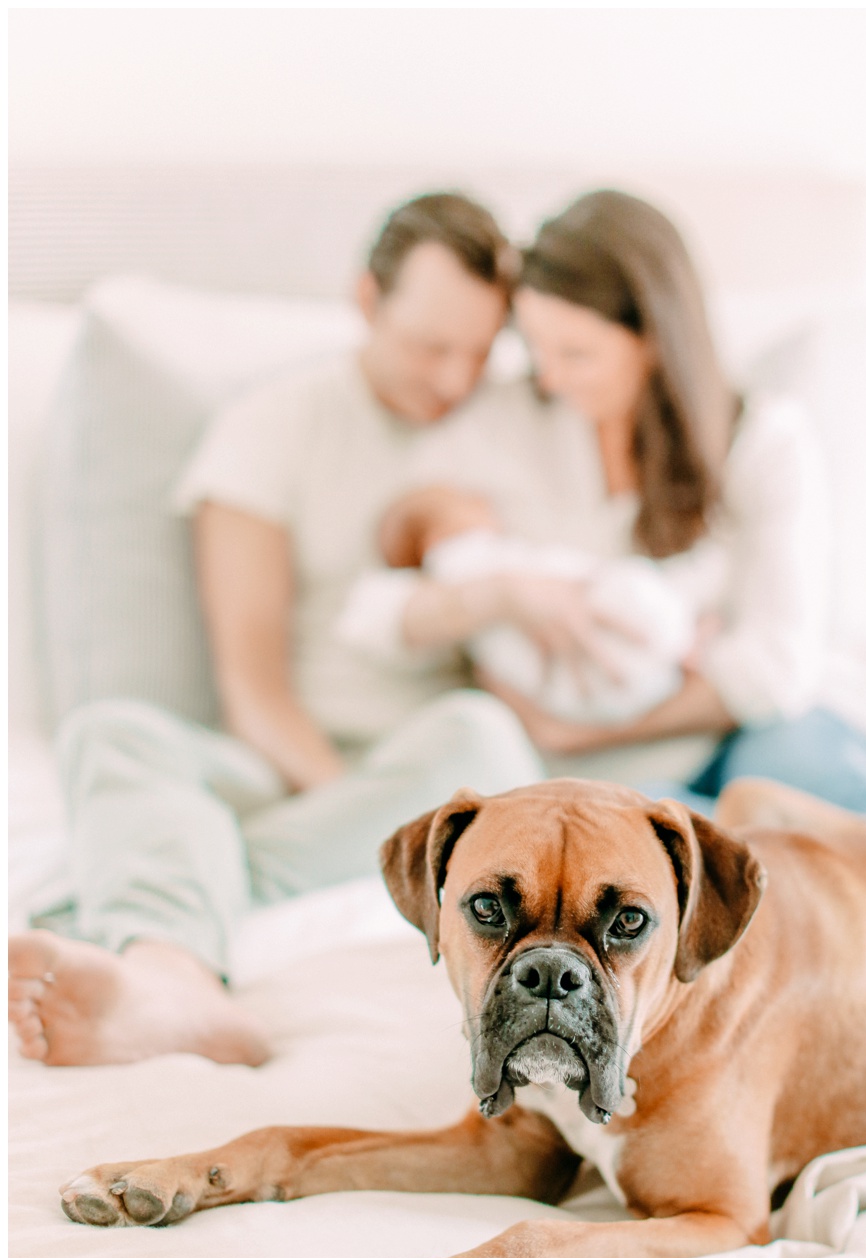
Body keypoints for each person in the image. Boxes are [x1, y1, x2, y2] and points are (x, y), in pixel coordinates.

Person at [8, 192, 551, 1069]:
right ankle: (176, 984)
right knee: (110, 734)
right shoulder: (270, 431)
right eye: (431, 347)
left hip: (435, 772)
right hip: (283, 752)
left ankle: (157, 912)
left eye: (481, 352)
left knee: (485, 740)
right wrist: (346, 809)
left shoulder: (513, 427)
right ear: (367, 302)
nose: (455, 379)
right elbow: (253, 690)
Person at [382, 189, 866, 822]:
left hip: (739, 731)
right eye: (536, 350)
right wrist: (507, 593)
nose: (551, 377)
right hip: (612, 755)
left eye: (577, 354)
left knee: (793, 794)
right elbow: (404, 557)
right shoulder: (513, 420)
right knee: (611, 829)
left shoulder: (761, 440)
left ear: (652, 340)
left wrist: (584, 731)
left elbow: (776, 670)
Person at [337, 484, 695, 724]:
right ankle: (678, 641)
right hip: (579, 663)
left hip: (582, 698)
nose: (483, 503)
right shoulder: (465, 560)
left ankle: (671, 651)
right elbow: (364, 621)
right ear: (435, 537)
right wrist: (511, 592)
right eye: (465, 503)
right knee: (629, 594)